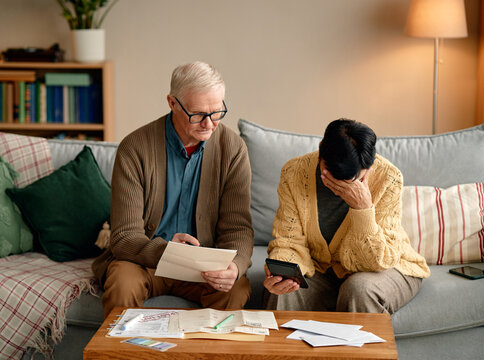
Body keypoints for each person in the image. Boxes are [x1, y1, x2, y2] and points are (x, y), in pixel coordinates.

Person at [92, 61, 254, 317]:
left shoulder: (232, 149)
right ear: (172, 103)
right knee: (122, 285)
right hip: (144, 261)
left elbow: (238, 228)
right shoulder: (134, 148)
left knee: (235, 289)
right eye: (199, 114)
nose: (209, 124)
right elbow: (123, 238)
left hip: (203, 268)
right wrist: (166, 249)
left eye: (217, 112)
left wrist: (234, 266)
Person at [264, 119, 430, 314]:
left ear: (368, 165)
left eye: (354, 180)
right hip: (323, 271)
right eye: (332, 177)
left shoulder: (389, 178)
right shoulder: (294, 173)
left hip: (386, 267)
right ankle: (279, 346)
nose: (340, 187)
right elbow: (288, 241)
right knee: (282, 293)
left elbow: (378, 262)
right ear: (320, 153)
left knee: (359, 289)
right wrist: (285, 272)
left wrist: (363, 209)